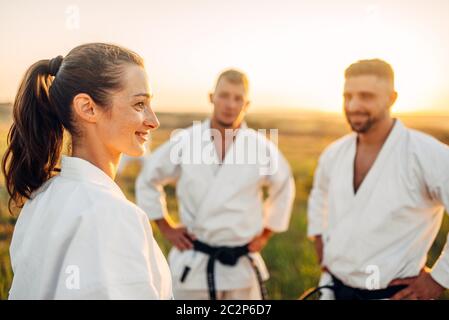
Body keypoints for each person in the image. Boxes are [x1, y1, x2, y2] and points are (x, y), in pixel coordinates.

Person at [3, 43, 172, 299]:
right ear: (87, 108)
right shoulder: (113, 214)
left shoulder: (41, 198)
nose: (153, 121)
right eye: (139, 104)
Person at [135, 69, 295, 300]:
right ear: (212, 97)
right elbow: (148, 177)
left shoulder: (260, 147)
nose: (230, 104)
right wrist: (166, 226)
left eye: (238, 98)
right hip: (194, 264)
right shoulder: (186, 140)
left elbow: (284, 186)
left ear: (246, 104)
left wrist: (266, 233)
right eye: (224, 95)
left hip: (241, 269)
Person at [307, 59, 449, 300]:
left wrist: (439, 279)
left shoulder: (427, 154)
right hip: (333, 288)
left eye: (366, 96)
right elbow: (319, 195)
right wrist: (319, 239)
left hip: (391, 294)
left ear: (392, 98)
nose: (353, 105)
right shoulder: (334, 152)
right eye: (347, 96)